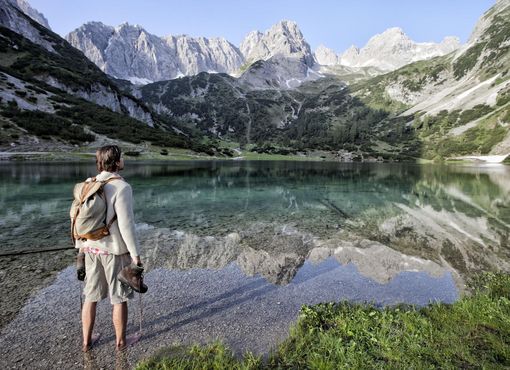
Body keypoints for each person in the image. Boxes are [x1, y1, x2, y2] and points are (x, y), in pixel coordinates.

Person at [75, 145, 142, 352]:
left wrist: (80, 247)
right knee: (119, 297)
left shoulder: (90, 183)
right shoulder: (122, 187)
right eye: (122, 157)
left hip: (89, 249)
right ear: (117, 161)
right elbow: (126, 225)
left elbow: (78, 218)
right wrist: (135, 255)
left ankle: (86, 342)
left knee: (91, 296)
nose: (124, 161)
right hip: (113, 251)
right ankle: (121, 342)